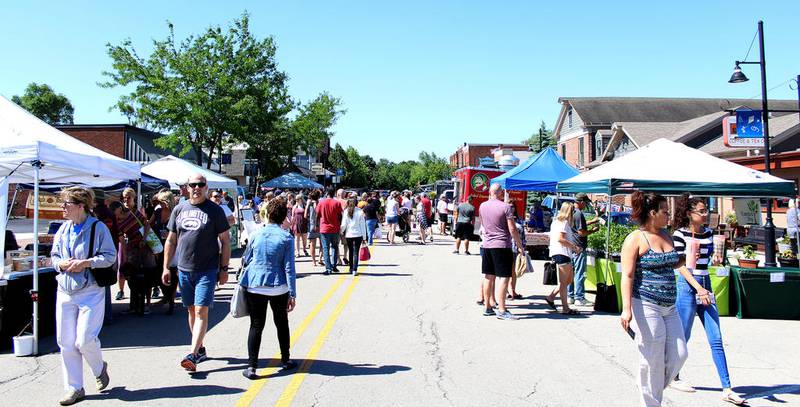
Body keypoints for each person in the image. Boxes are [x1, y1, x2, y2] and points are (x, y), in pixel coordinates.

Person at [669, 194, 746, 405]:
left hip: (705, 283)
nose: (706, 214)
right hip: (687, 285)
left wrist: (717, 260)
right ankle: (673, 376)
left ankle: (727, 387)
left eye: (706, 211)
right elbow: (680, 265)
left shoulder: (710, 233)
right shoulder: (679, 234)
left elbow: (708, 261)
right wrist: (699, 289)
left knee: (716, 338)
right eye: (701, 211)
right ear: (689, 213)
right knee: (683, 336)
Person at [619, 191, 688, 407]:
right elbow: (627, 275)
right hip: (646, 304)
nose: (669, 215)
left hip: (669, 306)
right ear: (652, 213)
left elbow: (674, 262)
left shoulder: (666, 234)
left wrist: (687, 266)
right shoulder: (635, 239)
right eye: (665, 211)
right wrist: (626, 309)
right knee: (653, 357)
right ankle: (651, 401)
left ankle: (647, 383)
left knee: (679, 354)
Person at [51, 186, 115, 405]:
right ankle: (74, 388)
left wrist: (86, 263)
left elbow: (110, 257)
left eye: (66, 204)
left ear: (80, 206)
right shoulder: (63, 229)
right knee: (65, 342)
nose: (62, 208)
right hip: (65, 291)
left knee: (84, 340)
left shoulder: (97, 228)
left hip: (90, 292)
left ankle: (99, 368)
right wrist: (60, 263)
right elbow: (54, 256)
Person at [162, 174, 231, 372]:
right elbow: (171, 240)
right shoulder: (179, 209)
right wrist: (166, 267)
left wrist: (224, 269)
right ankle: (199, 348)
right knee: (191, 310)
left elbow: (225, 242)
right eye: (193, 185)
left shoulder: (215, 211)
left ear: (206, 187)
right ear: (187, 187)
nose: (197, 188)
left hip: (207, 270)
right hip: (184, 269)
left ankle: (192, 354)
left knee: (201, 310)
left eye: (201, 185)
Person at [239, 198, 298, 379]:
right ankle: (286, 359)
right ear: (283, 217)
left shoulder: (256, 234)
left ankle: (252, 366)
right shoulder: (286, 237)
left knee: (256, 325)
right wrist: (293, 293)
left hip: (256, 284)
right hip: (278, 286)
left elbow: (245, 258)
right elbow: (289, 267)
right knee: (281, 322)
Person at [479, 183, 525, 320]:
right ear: (500, 193)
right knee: (504, 277)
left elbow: (483, 224)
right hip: (502, 245)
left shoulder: (482, 206)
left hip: (487, 245)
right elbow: (512, 229)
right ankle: (502, 309)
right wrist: (520, 246)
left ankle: (487, 307)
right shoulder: (505, 207)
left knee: (489, 276)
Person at [110, 200, 157, 315]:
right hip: (133, 249)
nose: (113, 213)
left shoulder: (133, 212)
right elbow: (122, 240)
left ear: (119, 208)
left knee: (147, 274)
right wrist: (125, 256)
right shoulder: (116, 221)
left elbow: (146, 224)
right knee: (133, 278)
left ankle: (147, 305)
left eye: (113, 210)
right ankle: (133, 305)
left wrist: (144, 239)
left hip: (146, 247)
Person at [545, 202, 581, 315]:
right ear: (568, 211)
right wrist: (574, 247)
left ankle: (551, 297)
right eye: (572, 211)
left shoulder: (556, 221)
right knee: (564, 282)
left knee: (568, 280)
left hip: (560, 253)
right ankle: (565, 308)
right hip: (562, 253)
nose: (573, 213)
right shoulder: (564, 222)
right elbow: (560, 239)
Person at [568, 193, 600, 307]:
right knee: (580, 273)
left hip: (571, 246)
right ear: (581, 202)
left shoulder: (571, 212)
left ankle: (570, 296)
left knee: (570, 273)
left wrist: (592, 221)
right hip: (579, 246)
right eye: (585, 202)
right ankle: (579, 297)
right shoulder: (579, 214)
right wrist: (593, 230)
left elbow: (576, 227)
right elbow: (581, 233)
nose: (586, 205)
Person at [149, 190, 177, 314]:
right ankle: (166, 296)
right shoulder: (158, 211)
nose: (160, 204)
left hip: (172, 247)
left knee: (171, 273)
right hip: (158, 246)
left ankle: (171, 300)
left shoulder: (175, 213)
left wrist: (170, 234)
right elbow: (148, 224)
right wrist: (147, 238)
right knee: (159, 272)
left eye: (162, 202)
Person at [318, 188, 344, 275]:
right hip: (335, 228)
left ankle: (328, 268)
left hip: (324, 228)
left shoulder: (321, 202)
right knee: (335, 247)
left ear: (326, 193)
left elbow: (317, 214)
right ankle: (334, 266)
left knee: (326, 248)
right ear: (334, 194)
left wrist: (316, 225)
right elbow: (340, 216)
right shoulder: (337, 203)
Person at [341, 197, 369, 275]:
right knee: (356, 252)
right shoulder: (360, 212)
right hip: (358, 234)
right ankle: (354, 270)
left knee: (351, 251)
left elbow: (344, 224)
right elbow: (363, 226)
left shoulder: (346, 211)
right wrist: (364, 237)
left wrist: (341, 231)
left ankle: (350, 268)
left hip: (349, 235)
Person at [305, 190, 322, 266]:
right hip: (321, 225)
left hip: (312, 226)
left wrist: (307, 207)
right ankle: (320, 259)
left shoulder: (309, 204)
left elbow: (305, 216)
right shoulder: (320, 203)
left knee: (312, 245)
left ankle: (314, 261)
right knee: (322, 244)